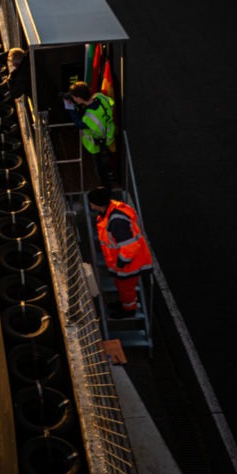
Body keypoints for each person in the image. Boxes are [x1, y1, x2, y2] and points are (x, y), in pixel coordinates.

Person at [88, 187, 153, 318]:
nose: (90, 204)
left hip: (129, 265)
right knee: (122, 286)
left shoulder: (116, 222)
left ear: (97, 203)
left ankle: (129, 310)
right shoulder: (110, 212)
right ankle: (125, 304)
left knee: (126, 289)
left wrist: (121, 263)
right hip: (126, 263)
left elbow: (131, 247)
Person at [65, 81, 115, 186]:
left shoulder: (89, 117)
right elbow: (111, 103)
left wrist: (70, 108)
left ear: (79, 98)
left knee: (101, 171)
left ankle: (105, 188)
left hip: (99, 145)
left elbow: (79, 123)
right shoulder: (100, 96)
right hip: (110, 134)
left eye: (74, 97)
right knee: (106, 166)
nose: (74, 99)